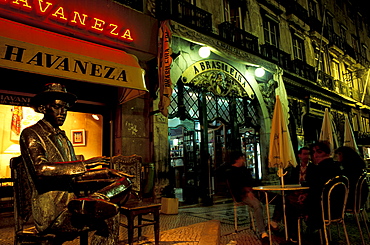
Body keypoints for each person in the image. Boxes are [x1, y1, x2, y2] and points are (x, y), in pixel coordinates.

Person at [19, 83, 132, 244]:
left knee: (122, 185)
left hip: (72, 205)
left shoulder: (63, 139)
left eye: (65, 108)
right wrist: (85, 164)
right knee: (109, 217)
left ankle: (92, 200)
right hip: (52, 212)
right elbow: (40, 169)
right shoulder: (31, 134)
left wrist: (105, 173)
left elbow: (77, 177)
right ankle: (88, 202)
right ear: (43, 108)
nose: (63, 112)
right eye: (57, 107)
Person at [226, 151, 282, 242]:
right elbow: (235, 187)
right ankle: (262, 232)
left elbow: (252, 181)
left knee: (279, 199)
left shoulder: (244, 169)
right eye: (242, 158)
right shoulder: (231, 172)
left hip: (256, 191)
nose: (244, 160)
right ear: (237, 159)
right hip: (243, 195)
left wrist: (262, 187)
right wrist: (247, 191)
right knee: (257, 205)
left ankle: (274, 222)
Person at [304, 141, 341, 230]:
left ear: (327, 152)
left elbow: (316, 190)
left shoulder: (319, 170)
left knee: (289, 203)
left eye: (319, 152)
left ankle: (294, 236)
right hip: (338, 207)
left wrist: (306, 197)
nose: (315, 155)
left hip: (321, 209)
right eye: (314, 152)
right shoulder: (337, 167)